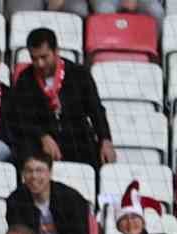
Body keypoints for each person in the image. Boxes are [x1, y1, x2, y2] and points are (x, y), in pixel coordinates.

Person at [13, 27, 114, 170]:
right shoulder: (25, 79)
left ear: (56, 52)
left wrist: (105, 139)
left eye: (44, 57)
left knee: (98, 157)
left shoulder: (79, 74)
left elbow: (96, 109)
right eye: (34, 58)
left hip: (77, 138)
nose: (40, 64)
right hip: (40, 142)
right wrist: (43, 136)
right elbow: (21, 117)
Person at [6, 152, 97, 234]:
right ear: (23, 174)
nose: (33, 176)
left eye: (39, 170)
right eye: (28, 171)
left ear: (49, 173)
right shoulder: (15, 200)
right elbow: (17, 231)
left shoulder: (71, 197)